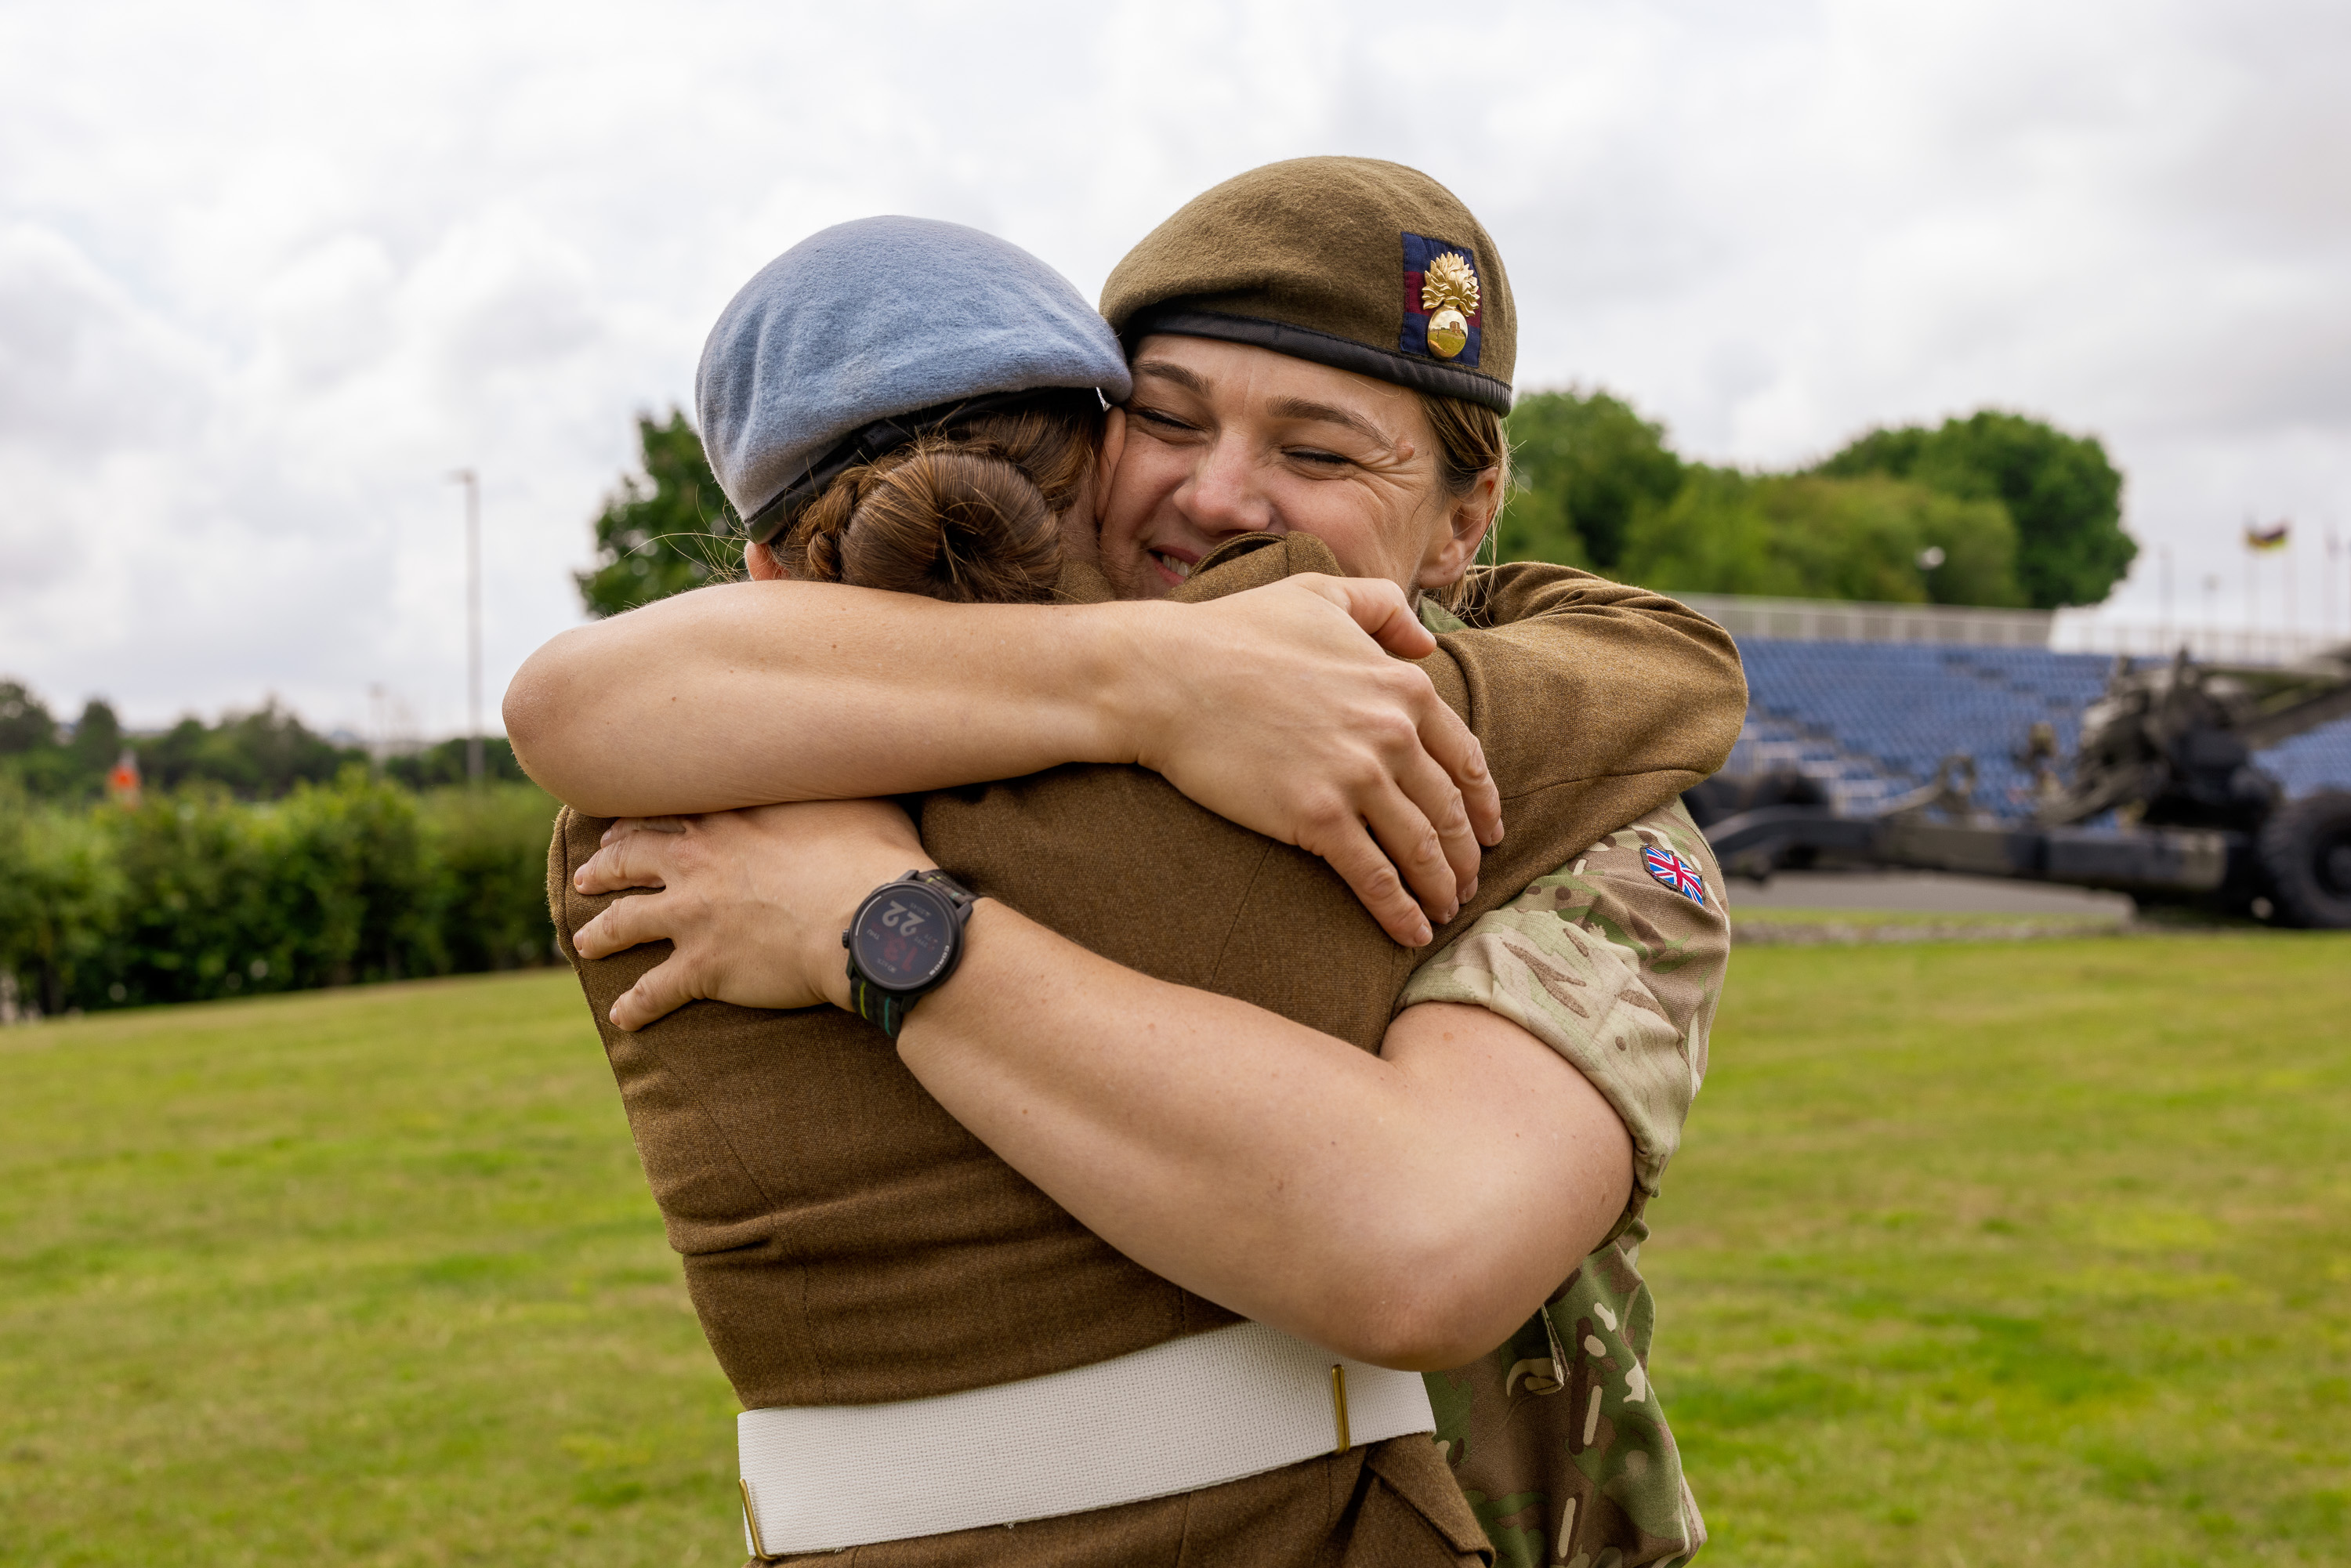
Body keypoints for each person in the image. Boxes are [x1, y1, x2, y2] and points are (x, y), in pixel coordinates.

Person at [514, 163, 1733, 1567]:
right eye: (1166, 419)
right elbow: (572, 702)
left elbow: (1426, 1243)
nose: (1219, 494)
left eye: (1320, 451)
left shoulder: (1592, 810)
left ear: (1465, 515)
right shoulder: (762, 741)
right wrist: (1152, 680)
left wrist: (871, 918)